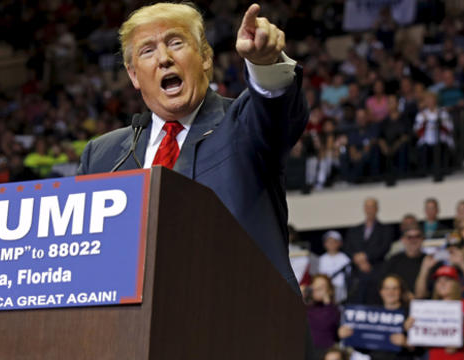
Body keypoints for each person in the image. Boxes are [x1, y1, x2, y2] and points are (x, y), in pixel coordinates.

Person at [77, 3, 308, 296]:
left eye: (175, 42)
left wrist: (265, 65)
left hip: (242, 321)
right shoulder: (102, 155)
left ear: (205, 58)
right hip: (134, 329)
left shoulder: (244, 125)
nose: (164, 58)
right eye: (147, 50)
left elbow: (277, 113)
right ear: (134, 75)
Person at [407, 266, 464, 360]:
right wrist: (411, 329)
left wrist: (461, 340)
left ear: (456, 283)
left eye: (447, 280)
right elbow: (422, 342)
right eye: (438, 281)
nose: (442, 284)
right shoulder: (427, 308)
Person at [338, 274, 420, 360]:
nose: (390, 292)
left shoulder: (411, 315)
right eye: (387, 288)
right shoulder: (370, 315)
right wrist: (349, 336)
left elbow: (421, 350)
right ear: (381, 292)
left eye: (395, 288)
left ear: (401, 291)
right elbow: (365, 348)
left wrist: (406, 343)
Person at [344, 197, 393, 303]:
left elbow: (385, 247)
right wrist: (358, 260)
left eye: (372, 206)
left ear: (377, 209)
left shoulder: (385, 229)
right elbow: (347, 248)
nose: (370, 209)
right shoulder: (354, 230)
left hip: (376, 270)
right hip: (356, 273)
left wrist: (366, 257)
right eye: (367, 207)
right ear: (364, 209)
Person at [415, 232, 464, 302]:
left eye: (458, 248)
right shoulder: (439, 272)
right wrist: (424, 268)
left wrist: (462, 264)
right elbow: (419, 295)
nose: (453, 252)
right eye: (449, 248)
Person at [381, 225, 426, 295]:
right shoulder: (393, 261)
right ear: (403, 240)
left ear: (422, 239)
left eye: (417, 236)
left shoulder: (430, 261)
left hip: (425, 304)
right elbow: (384, 285)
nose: (413, 240)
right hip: (398, 303)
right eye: (409, 237)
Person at [306, 275, 340, 356]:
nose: (317, 289)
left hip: (324, 352)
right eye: (315, 286)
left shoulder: (333, 309)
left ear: (330, 290)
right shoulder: (307, 307)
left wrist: (327, 300)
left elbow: (330, 322)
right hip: (306, 350)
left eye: (321, 287)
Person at [317, 230, 350, 303]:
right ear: (325, 244)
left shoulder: (345, 259)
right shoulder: (321, 259)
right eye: (328, 242)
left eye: (334, 241)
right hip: (325, 291)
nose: (331, 244)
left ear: (339, 243)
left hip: (341, 292)